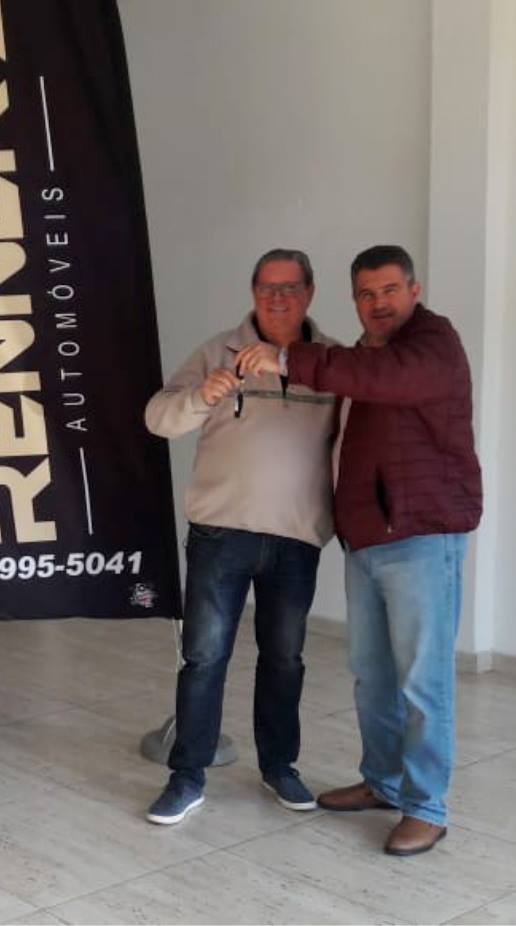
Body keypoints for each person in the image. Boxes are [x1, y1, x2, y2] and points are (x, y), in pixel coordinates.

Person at [237, 245, 481, 856]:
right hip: (368, 539)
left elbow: (382, 379)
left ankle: (426, 807)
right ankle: (383, 782)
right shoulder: (362, 357)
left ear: (414, 290)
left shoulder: (433, 344)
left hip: (422, 535)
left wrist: (287, 358)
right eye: (367, 294)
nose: (379, 303)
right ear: (353, 300)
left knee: (422, 681)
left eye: (390, 290)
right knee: (372, 677)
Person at [143, 248, 339, 825]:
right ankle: (187, 776)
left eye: (290, 287)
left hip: (295, 538)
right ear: (253, 293)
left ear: (309, 292)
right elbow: (158, 419)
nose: (278, 298)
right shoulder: (216, 352)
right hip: (220, 534)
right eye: (266, 287)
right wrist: (201, 396)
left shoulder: (332, 361)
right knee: (204, 657)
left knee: (285, 659)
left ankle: (280, 766)